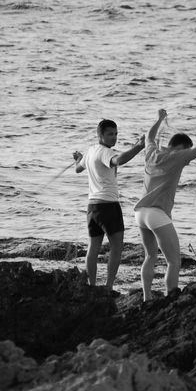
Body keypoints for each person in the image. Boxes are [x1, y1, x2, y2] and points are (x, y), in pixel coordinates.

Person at [134, 108, 196, 302]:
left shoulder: (152, 152)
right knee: (174, 261)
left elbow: (149, 136)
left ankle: (147, 297)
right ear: (180, 148)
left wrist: (159, 119)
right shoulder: (178, 157)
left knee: (150, 256)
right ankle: (171, 296)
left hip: (140, 213)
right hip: (157, 214)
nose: (187, 159)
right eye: (186, 150)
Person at [73, 119, 145, 292]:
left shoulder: (90, 151)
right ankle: (108, 287)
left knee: (93, 248)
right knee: (116, 247)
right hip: (108, 206)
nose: (114, 137)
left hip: (92, 209)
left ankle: (91, 286)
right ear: (100, 135)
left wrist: (79, 159)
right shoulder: (106, 152)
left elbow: (78, 169)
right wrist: (140, 147)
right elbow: (119, 160)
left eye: (116, 134)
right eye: (110, 134)